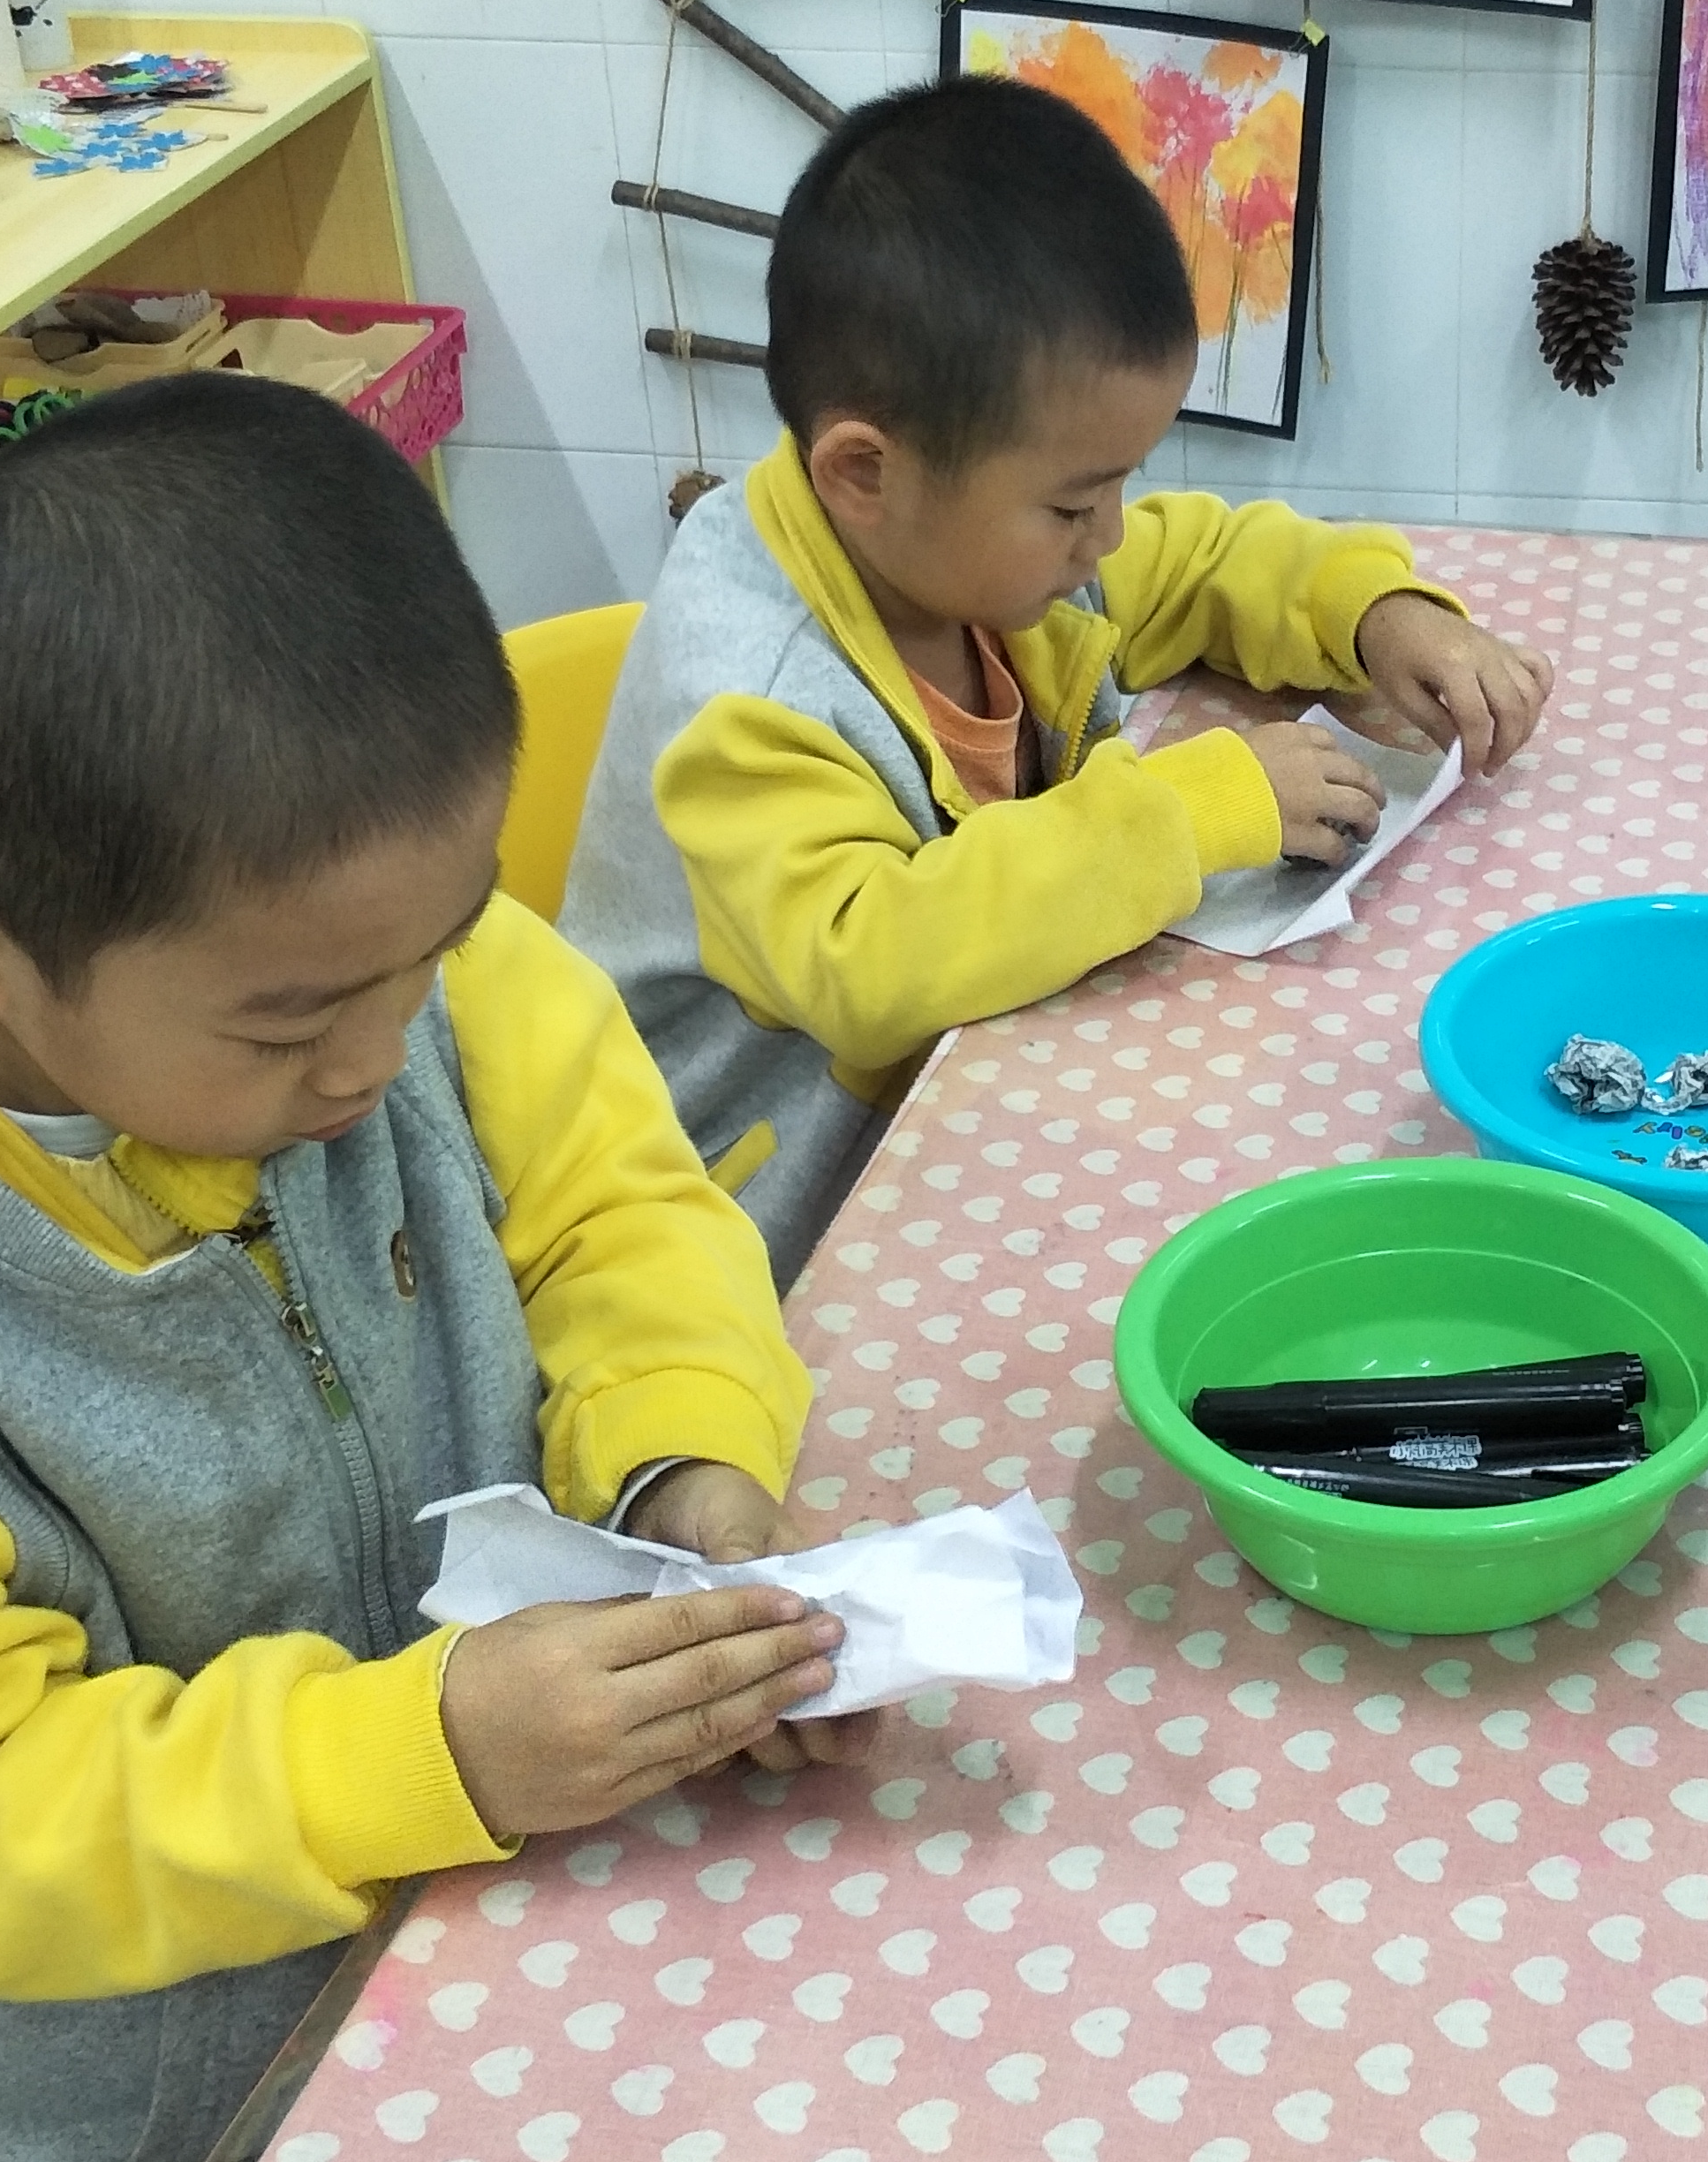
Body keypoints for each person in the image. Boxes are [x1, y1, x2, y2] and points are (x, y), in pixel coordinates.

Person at [0, 374, 866, 2162]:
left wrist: (677, 1461)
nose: (377, 1063)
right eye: (290, 1032)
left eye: (431, 961)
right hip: (187, 2114)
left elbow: (619, 1204)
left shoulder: (343, 951)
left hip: (495, 1887)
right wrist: (414, 1759)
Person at [557, 75, 1556, 1274]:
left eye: (1121, 484)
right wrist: (1184, 813)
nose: (1112, 533)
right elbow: (871, 960)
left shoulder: (967, 551)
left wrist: (1375, 616)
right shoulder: (747, 700)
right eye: (1078, 504)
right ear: (865, 474)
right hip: (751, 1240)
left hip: (958, 1120)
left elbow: (1198, 563)